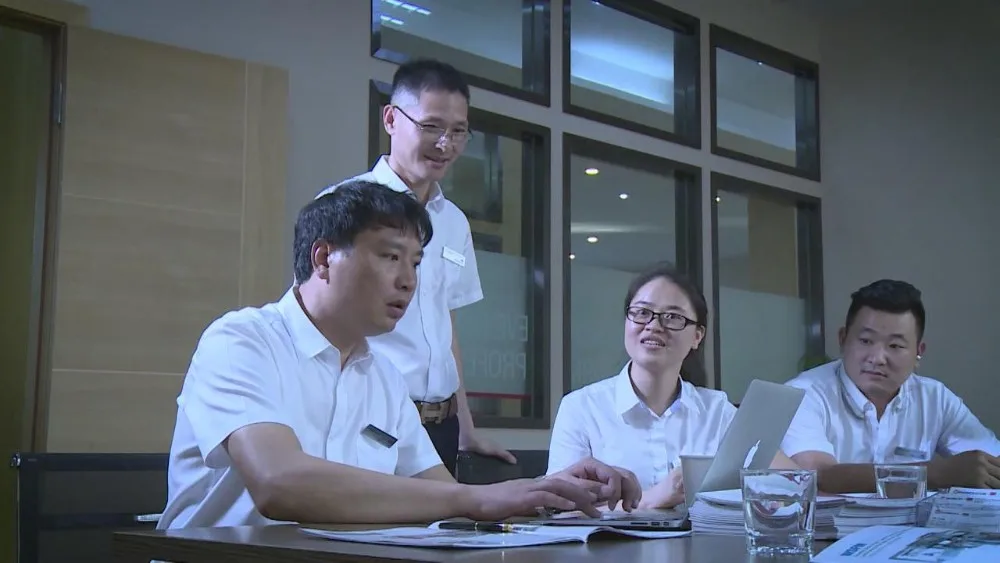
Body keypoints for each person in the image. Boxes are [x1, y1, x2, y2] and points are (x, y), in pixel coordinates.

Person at [157, 181, 641, 529]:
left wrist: (550, 490)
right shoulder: (242, 341)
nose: (409, 281)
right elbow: (279, 483)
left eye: (415, 262)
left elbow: (441, 496)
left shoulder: (384, 377)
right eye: (390, 257)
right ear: (323, 259)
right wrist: (477, 499)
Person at [316, 58, 512, 475]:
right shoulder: (345, 207)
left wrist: (466, 428)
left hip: (442, 424)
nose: (445, 144)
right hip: (371, 416)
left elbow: (444, 326)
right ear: (391, 119)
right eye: (431, 126)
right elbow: (319, 319)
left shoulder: (454, 221)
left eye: (458, 131)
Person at [547, 263, 797, 510]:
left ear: (697, 336)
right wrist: (650, 500)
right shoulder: (581, 408)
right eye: (642, 312)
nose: (654, 325)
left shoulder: (717, 411)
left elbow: (792, 482)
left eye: (673, 317)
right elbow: (559, 509)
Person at [781, 279, 1000, 492]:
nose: (877, 358)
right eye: (866, 341)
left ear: (918, 352)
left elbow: (990, 462)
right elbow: (819, 475)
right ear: (843, 339)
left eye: (895, 345)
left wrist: (981, 469)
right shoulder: (802, 393)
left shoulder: (935, 398)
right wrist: (936, 473)